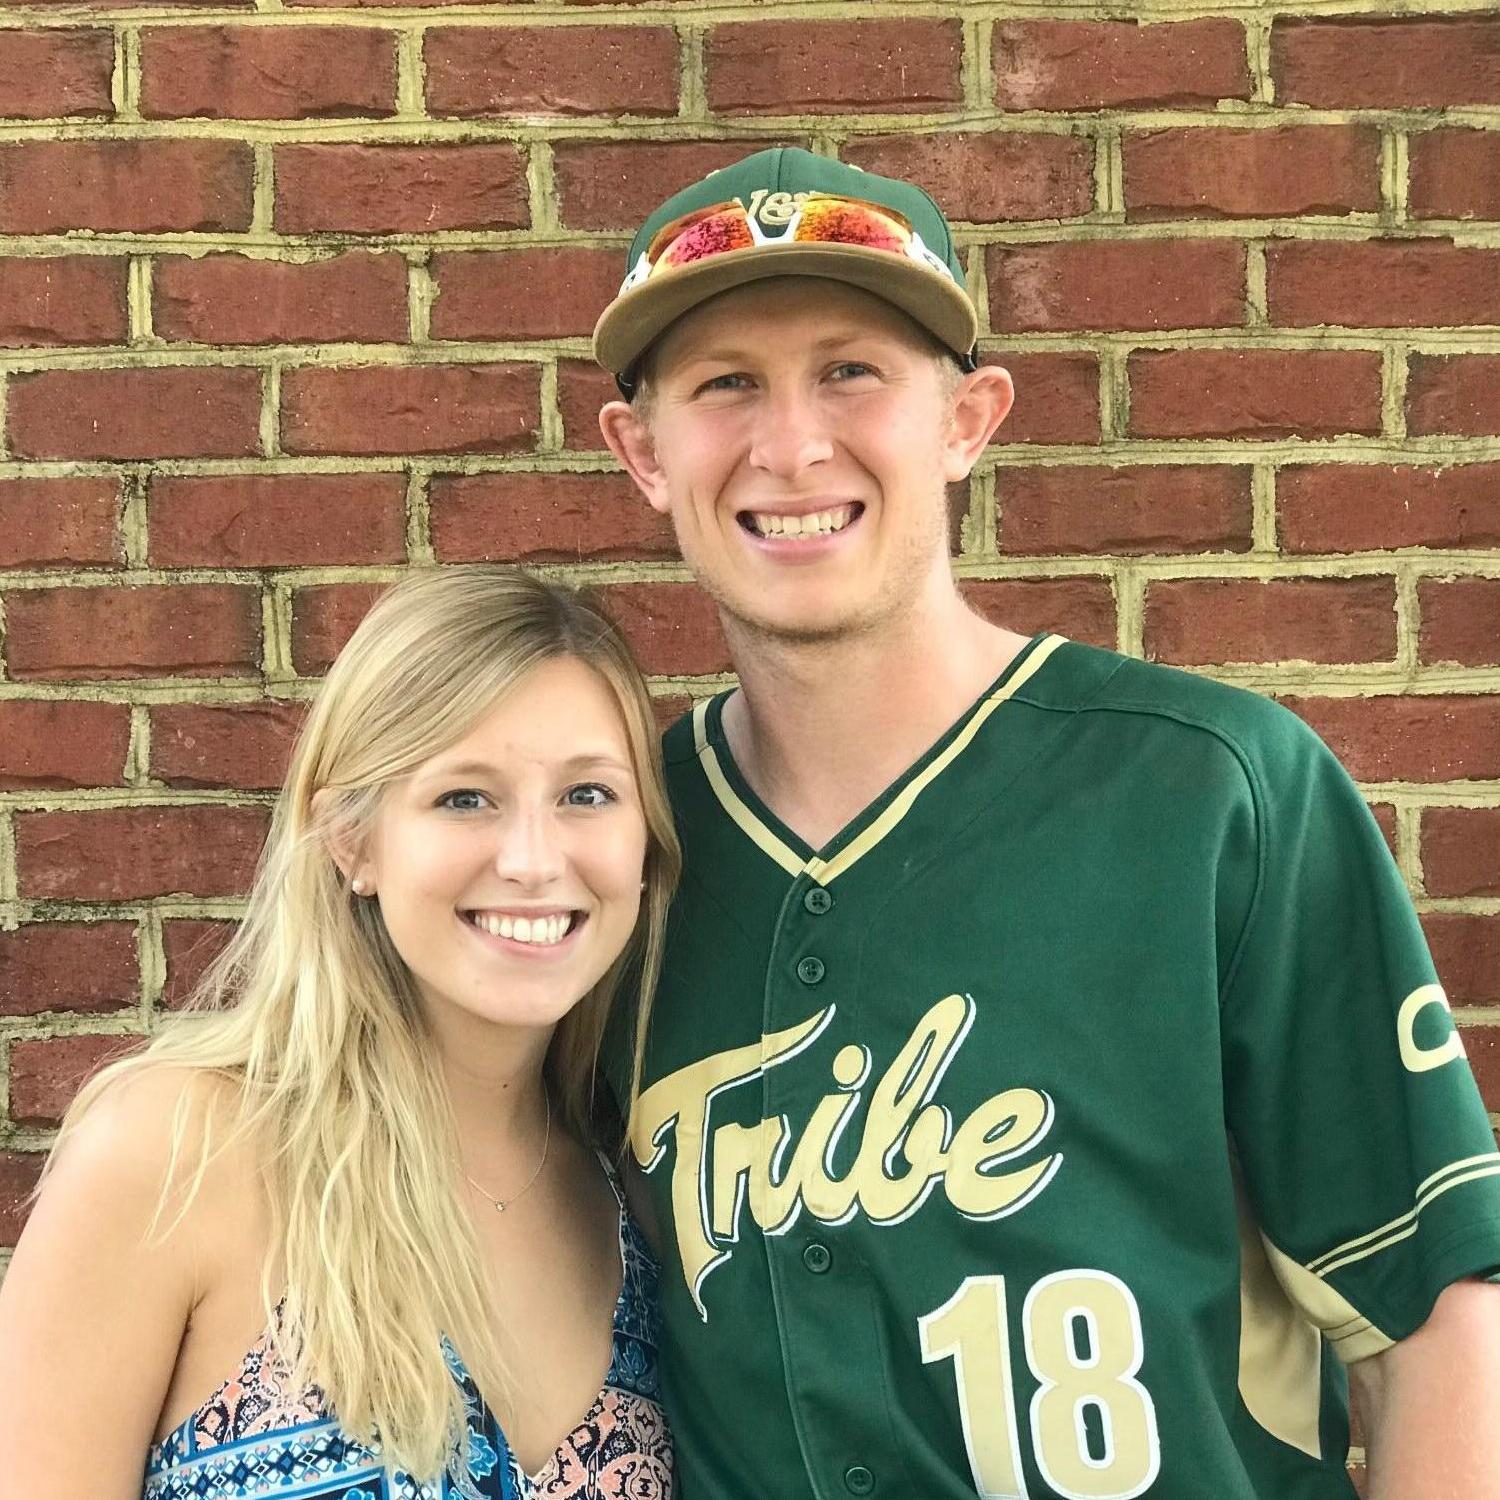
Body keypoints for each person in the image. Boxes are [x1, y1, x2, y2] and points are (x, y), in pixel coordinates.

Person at [591, 146, 1500, 1499]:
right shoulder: (613, 862)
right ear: (642, 451)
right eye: (726, 384)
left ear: (966, 419)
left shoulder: (1216, 791)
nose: (791, 445)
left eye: (852, 369)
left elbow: (1433, 1317)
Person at [0, 566, 680, 1499]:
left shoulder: (634, 1196)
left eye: (589, 794)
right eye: (464, 797)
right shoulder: (175, 1152)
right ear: (353, 842)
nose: (533, 860)